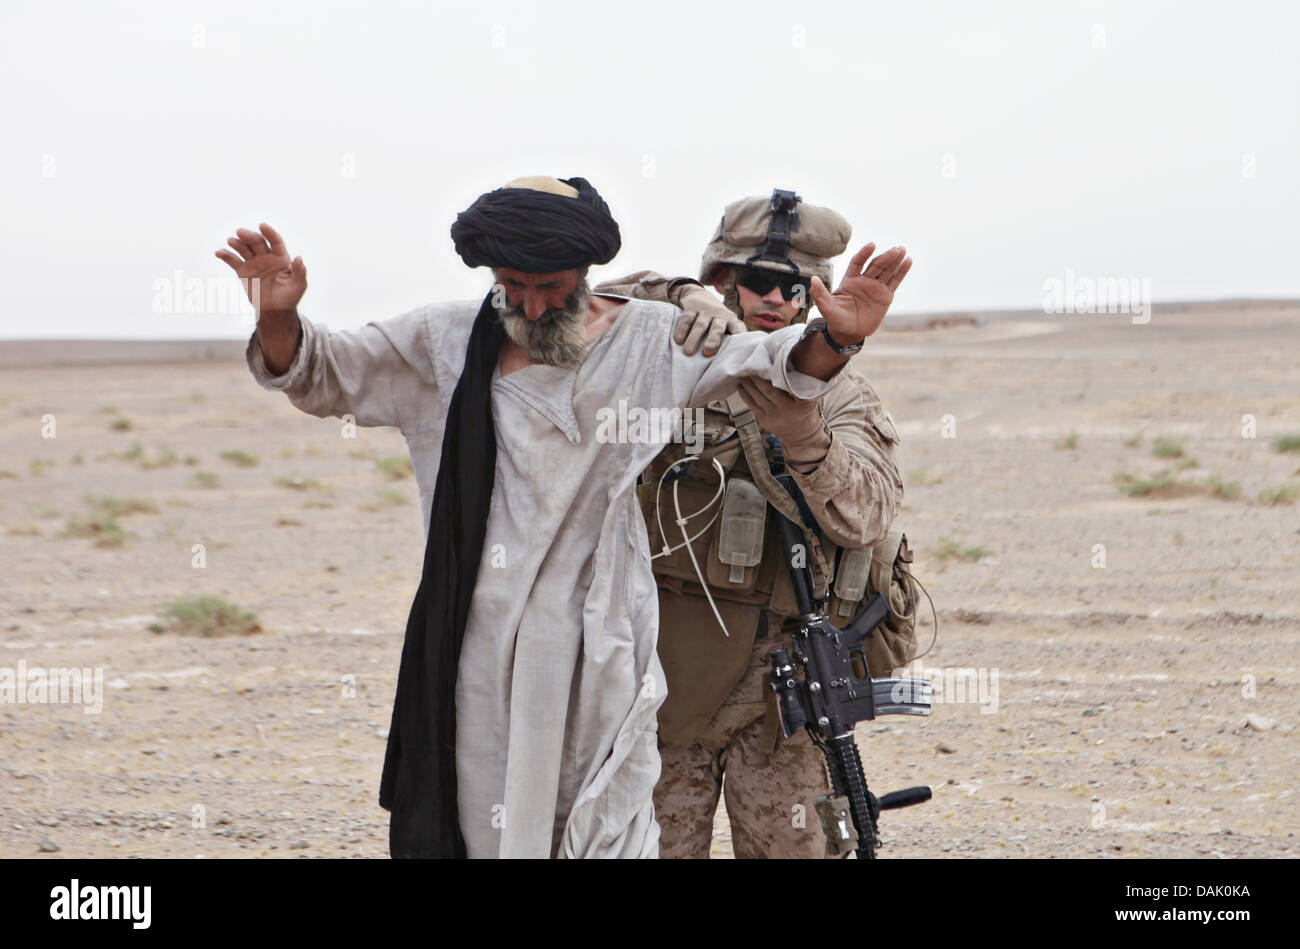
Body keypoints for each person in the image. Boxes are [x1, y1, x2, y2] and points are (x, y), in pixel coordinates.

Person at [215, 176, 897, 859]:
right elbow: (324, 371)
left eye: (553, 286)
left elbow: (779, 366)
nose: (535, 305)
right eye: (515, 285)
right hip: (481, 648)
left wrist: (835, 342)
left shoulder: (652, 343)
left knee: (617, 828)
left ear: (585, 273)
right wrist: (278, 319)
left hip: (610, 648)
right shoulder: (445, 343)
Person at [596, 189, 915, 858]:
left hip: (781, 688)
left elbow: (866, 516)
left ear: (813, 297)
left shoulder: (844, 394)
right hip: (660, 675)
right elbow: (585, 304)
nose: (774, 300)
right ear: (724, 281)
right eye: (757, 282)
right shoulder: (669, 364)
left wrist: (803, 434)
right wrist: (681, 294)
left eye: (794, 287)